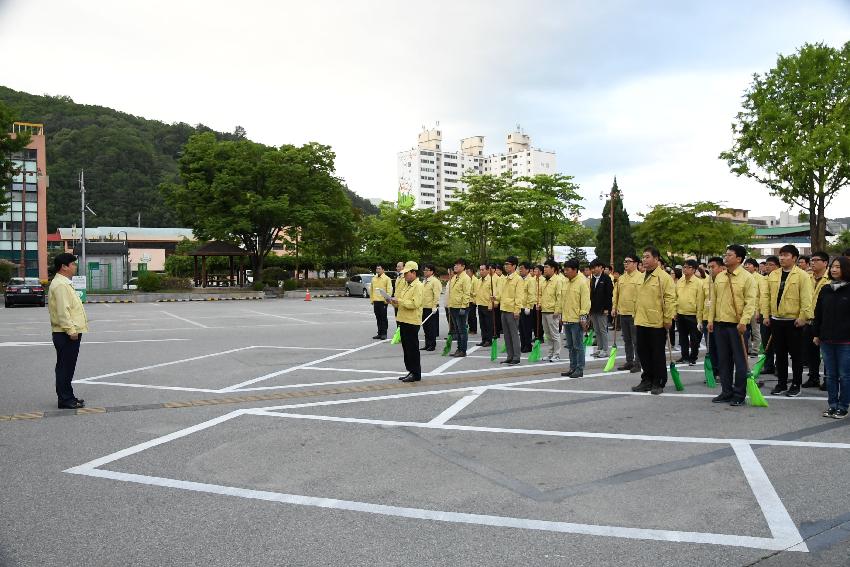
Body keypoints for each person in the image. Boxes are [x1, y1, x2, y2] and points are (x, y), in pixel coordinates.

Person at [762, 244, 813, 397]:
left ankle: (796, 384)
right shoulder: (774, 274)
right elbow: (767, 296)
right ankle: (782, 383)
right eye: (781, 255)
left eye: (786, 255)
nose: (782, 258)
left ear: (795, 258)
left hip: (793, 321)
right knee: (780, 353)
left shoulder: (802, 275)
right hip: (776, 320)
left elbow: (807, 298)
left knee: (796, 355)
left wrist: (803, 317)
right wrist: (766, 315)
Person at [709, 245, 758, 405]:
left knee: (740, 361)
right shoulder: (720, 276)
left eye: (729, 255)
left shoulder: (747, 278)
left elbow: (750, 302)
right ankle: (726, 391)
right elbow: (713, 300)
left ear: (739, 258)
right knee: (723, 360)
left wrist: (744, 321)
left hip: (737, 326)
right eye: (726, 254)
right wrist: (711, 320)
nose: (726, 257)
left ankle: (739, 394)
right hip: (720, 325)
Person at [632, 247, 677, 395]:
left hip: (657, 321)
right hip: (641, 319)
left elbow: (670, 299)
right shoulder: (640, 276)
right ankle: (647, 379)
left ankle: (659, 381)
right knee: (642, 351)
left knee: (657, 353)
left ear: (656, 259)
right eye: (643, 257)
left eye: (647, 257)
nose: (644, 259)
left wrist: (668, 317)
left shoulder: (663, 277)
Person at [48, 253, 89, 409]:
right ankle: (65, 399)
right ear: (64, 267)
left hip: (66, 332)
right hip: (65, 333)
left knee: (67, 366)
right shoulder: (61, 285)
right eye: (72, 264)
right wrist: (71, 330)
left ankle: (68, 396)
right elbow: (63, 311)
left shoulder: (64, 283)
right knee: (65, 367)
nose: (75, 266)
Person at [812, 256, 850, 418]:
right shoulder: (825, 289)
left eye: (838, 267)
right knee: (830, 375)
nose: (834, 270)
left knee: (845, 375)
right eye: (833, 267)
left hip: (845, 341)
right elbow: (818, 314)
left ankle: (843, 406)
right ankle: (832, 405)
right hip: (826, 339)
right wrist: (816, 333)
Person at [391, 262, 424, 383]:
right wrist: (391, 300)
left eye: (407, 273)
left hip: (412, 321)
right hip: (403, 319)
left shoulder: (418, 286)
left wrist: (399, 301)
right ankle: (410, 371)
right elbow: (401, 301)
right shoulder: (406, 285)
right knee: (406, 348)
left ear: (414, 272)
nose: (404, 275)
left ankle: (416, 373)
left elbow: (415, 304)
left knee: (412, 348)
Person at [559, 259, 591, 377]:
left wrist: (583, 317)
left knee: (578, 346)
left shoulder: (582, 282)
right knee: (571, 346)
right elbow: (563, 300)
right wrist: (561, 315)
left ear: (575, 270)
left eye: (567, 270)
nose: (565, 272)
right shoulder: (565, 282)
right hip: (567, 318)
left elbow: (586, 302)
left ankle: (579, 368)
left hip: (577, 320)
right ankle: (572, 367)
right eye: (565, 269)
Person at [803, 251, 830, 389]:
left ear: (825, 263)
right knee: (810, 352)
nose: (812, 262)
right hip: (809, 319)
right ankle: (813, 377)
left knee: (826, 352)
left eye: (816, 260)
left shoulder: (831, 278)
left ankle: (828, 379)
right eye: (811, 260)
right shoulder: (807, 278)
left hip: (825, 321)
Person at [612, 254, 641, 373]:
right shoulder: (621, 278)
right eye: (625, 261)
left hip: (635, 314)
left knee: (636, 341)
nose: (625, 263)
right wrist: (614, 307)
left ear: (635, 264)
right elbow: (616, 294)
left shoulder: (641, 277)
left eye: (628, 261)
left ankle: (638, 363)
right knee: (627, 340)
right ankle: (629, 361)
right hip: (623, 312)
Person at [495, 256, 525, 365]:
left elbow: (519, 296)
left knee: (514, 334)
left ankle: (516, 357)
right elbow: (501, 294)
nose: (505, 266)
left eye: (508, 264)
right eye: (505, 264)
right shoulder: (504, 278)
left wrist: (517, 310)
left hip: (512, 310)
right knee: (506, 335)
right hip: (504, 309)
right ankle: (510, 355)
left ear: (514, 266)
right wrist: (495, 298)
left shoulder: (518, 279)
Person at [675, 259, 704, 366]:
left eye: (688, 267)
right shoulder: (680, 281)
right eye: (684, 267)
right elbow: (675, 297)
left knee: (694, 338)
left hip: (693, 315)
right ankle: (684, 356)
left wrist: (699, 318)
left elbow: (700, 301)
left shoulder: (699, 283)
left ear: (694, 269)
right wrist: (675, 311)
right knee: (682, 337)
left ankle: (693, 357)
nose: (685, 269)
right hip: (680, 313)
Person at [700, 256, 724, 375]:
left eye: (713, 267)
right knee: (711, 347)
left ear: (721, 268)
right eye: (708, 267)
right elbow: (699, 302)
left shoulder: (725, 280)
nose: (710, 269)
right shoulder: (705, 282)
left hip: (720, 319)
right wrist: (699, 319)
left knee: (721, 348)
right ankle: (714, 371)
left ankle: (722, 371)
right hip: (707, 318)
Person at [447, 258, 473, 357]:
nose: (455, 266)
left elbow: (466, 293)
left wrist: (463, 307)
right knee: (457, 330)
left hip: (460, 307)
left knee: (462, 330)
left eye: (458, 265)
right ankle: (459, 348)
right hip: (453, 306)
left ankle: (463, 350)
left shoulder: (465, 278)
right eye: (455, 265)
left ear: (463, 267)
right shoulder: (454, 277)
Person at [589, 259, 613, 358]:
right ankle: (599, 348)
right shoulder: (592, 279)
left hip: (603, 308)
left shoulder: (606, 279)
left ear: (601, 268)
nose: (593, 270)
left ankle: (605, 350)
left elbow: (609, 295)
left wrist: (607, 308)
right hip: (593, 309)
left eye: (595, 267)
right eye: (592, 268)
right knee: (596, 330)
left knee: (603, 330)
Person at [760, 256, 780, 375]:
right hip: (765, 313)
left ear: (778, 266)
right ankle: (768, 366)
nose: (767, 267)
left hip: (777, 314)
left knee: (779, 342)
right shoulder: (763, 279)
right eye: (767, 264)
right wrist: (759, 312)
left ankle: (779, 366)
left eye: (771, 264)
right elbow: (759, 297)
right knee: (765, 341)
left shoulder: (781, 278)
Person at [540, 259, 563, 362]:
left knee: (554, 334)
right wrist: (540, 304)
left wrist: (557, 311)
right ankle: (550, 353)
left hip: (552, 312)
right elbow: (542, 295)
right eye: (544, 267)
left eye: (546, 267)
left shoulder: (558, 280)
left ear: (553, 269)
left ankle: (557, 354)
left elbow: (559, 297)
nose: (544, 269)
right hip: (544, 310)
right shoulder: (544, 280)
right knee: (547, 334)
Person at [743, 258, 764, 357]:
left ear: (755, 267)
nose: (746, 266)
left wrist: (758, 310)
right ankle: (747, 348)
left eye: (749, 264)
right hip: (744, 308)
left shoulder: (760, 278)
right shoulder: (743, 277)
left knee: (755, 330)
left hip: (755, 308)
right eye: (745, 264)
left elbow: (762, 295)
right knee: (745, 330)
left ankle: (755, 349)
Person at [420, 264, 442, 351]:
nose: (425, 271)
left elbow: (437, 295)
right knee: (425, 327)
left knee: (431, 327)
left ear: (432, 271)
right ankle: (427, 344)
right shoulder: (424, 281)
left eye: (427, 270)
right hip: (423, 307)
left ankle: (432, 345)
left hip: (430, 308)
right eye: (424, 270)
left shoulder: (435, 281)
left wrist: (435, 306)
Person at [370, 265, 392, 340]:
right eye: (377, 268)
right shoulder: (373, 278)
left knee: (383, 318)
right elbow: (371, 290)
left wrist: (387, 300)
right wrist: (372, 300)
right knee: (378, 317)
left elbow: (389, 290)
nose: (377, 270)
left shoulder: (387, 279)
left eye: (379, 269)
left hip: (383, 301)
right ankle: (379, 333)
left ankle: (384, 333)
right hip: (376, 301)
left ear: (383, 270)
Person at [475, 264, 495, 347]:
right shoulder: (479, 280)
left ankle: (489, 340)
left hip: (487, 305)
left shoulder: (490, 280)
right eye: (480, 270)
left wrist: (490, 305)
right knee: (482, 324)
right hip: (480, 304)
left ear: (487, 270)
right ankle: (484, 339)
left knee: (488, 324)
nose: (481, 271)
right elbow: (478, 292)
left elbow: (493, 294)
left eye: (483, 270)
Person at [519, 262, 535, 353]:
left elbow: (531, 295)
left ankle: (528, 345)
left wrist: (528, 306)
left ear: (527, 270)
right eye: (519, 268)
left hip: (527, 308)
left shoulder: (531, 280)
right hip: (520, 307)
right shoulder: (520, 279)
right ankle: (523, 344)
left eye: (522, 268)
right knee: (521, 328)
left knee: (527, 328)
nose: (520, 270)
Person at [465, 267, 479, 335]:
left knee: (472, 315)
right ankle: (470, 329)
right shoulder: (467, 279)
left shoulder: (475, 280)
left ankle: (474, 329)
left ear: (472, 272)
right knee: (468, 316)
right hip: (467, 300)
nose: (467, 273)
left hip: (472, 300)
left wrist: (470, 292)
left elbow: (476, 292)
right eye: (466, 272)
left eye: (468, 272)